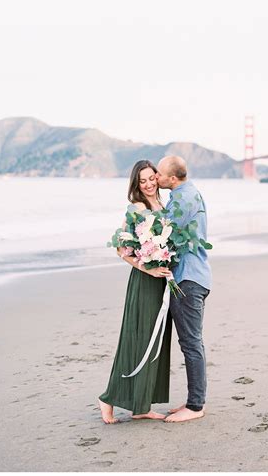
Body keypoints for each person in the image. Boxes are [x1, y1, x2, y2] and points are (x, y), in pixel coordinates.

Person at [98, 160, 173, 423]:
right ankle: (107, 398)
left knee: (156, 341)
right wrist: (149, 269)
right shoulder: (137, 209)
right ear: (136, 185)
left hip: (162, 281)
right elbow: (122, 251)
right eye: (143, 181)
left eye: (152, 178)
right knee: (137, 339)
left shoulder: (163, 206)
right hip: (144, 281)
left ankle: (141, 405)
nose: (150, 184)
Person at [156, 155, 212, 423]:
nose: (156, 177)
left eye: (159, 174)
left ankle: (196, 405)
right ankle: (194, 400)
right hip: (196, 275)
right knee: (192, 342)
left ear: (172, 179)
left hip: (188, 278)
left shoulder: (180, 199)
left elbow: (163, 234)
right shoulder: (189, 193)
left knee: (191, 343)